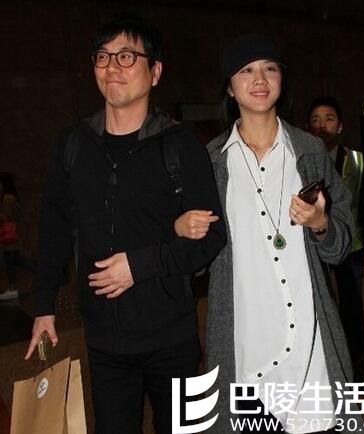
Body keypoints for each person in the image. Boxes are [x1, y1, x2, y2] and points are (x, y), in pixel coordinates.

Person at [25, 15, 226, 434]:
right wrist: (44, 306)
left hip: (172, 338)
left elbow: (211, 238)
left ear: (155, 72)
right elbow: (54, 229)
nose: (112, 67)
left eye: (126, 56)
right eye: (103, 57)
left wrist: (139, 265)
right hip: (105, 343)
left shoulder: (180, 146)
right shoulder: (73, 145)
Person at [175, 34, 363, 433]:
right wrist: (183, 231)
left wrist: (320, 224)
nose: (260, 79)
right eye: (246, 70)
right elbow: (194, 264)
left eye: (270, 68)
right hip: (246, 346)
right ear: (229, 87)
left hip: (310, 347)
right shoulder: (211, 162)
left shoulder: (309, 152)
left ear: (281, 80)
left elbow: (341, 245)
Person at [307, 96, 364, 384]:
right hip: (315, 247)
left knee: (352, 310)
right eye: (315, 119)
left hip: (352, 247)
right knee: (320, 310)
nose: (321, 125)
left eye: (329, 119)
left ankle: (358, 373)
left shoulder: (356, 160)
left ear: (340, 126)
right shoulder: (303, 160)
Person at [0, 177, 21, 301]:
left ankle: (12, 289)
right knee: (19, 261)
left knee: (10, 263)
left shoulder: (8, 199)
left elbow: (6, 218)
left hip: (9, 238)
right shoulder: (8, 198)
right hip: (10, 238)